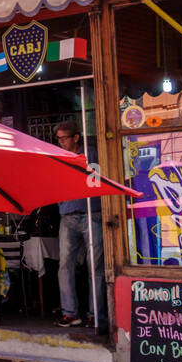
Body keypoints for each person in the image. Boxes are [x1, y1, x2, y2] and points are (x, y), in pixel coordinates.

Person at [54, 120, 107, 330]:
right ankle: (70, 313)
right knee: (64, 266)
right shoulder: (59, 156)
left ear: (76, 137)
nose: (61, 142)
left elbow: (94, 181)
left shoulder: (90, 154)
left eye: (64, 138)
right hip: (68, 213)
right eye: (58, 138)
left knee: (95, 266)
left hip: (91, 212)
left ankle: (96, 314)